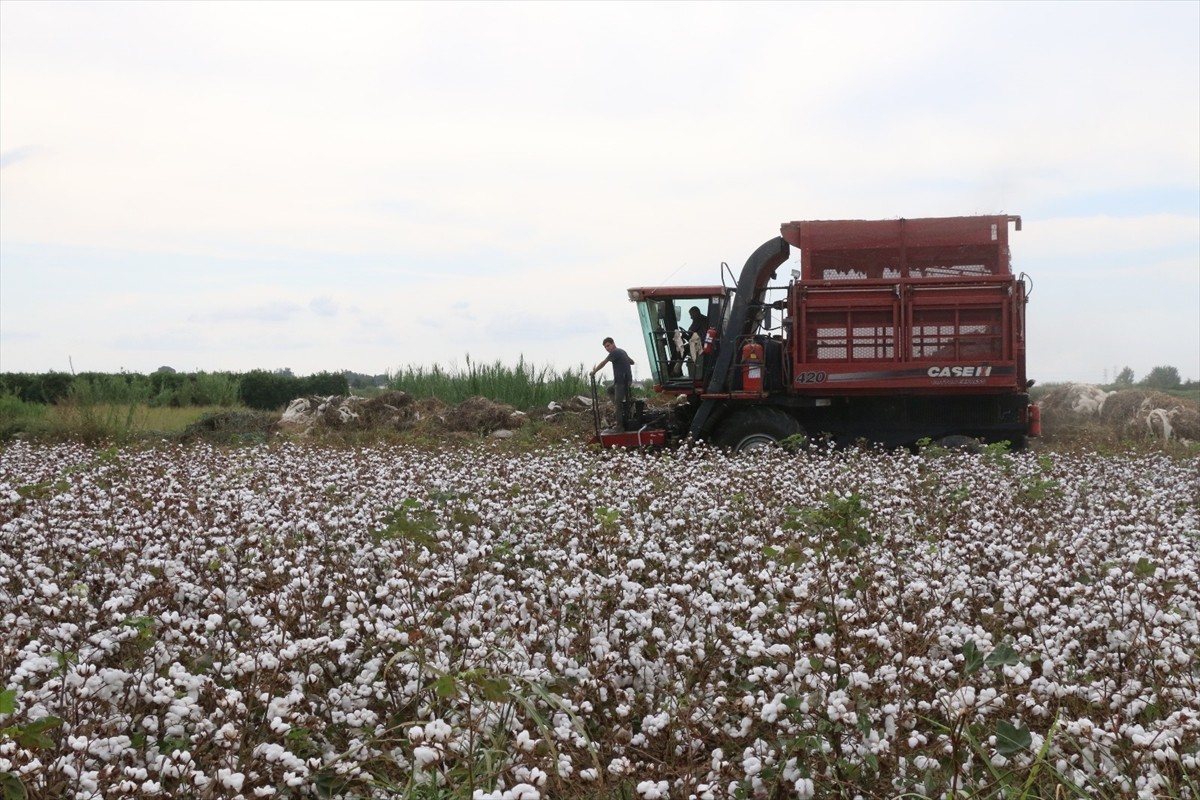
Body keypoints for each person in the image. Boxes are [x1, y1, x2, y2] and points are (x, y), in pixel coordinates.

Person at [591, 337, 635, 432]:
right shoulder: (622, 351)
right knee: (610, 389)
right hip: (624, 381)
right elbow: (632, 362)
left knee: (618, 404)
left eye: (608, 346)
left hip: (622, 382)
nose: (607, 348)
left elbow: (603, 363)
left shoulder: (615, 352)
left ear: (613, 343)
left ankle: (620, 426)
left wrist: (594, 371)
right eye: (605, 347)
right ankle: (620, 408)